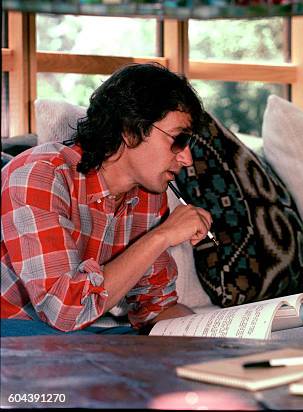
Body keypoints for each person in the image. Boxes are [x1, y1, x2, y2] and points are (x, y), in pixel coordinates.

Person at [1, 63, 213, 336]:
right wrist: (162, 236)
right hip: (14, 333)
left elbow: (154, 309)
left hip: (78, 337)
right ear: (130, 129)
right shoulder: (39, 175)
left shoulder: (149, 195)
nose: (186, 158)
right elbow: (64, 311)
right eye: (178, 139)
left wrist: (210, 334)